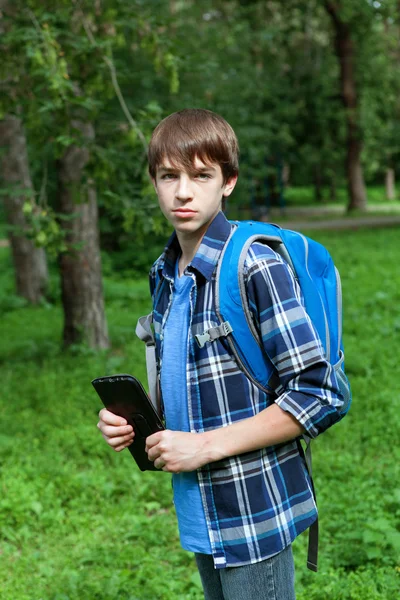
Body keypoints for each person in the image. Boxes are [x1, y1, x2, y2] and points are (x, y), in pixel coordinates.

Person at [97, 109, 344, 600]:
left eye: (201, 175)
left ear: (228, 181)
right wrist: (137, 421)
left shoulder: (255, 265)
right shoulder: (164, 273)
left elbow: (322, 394)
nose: (183, 191)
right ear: (154, 181)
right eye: (169, 175)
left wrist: (205, 447)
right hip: (200, 510)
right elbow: (198, 383)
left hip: (252, 512)